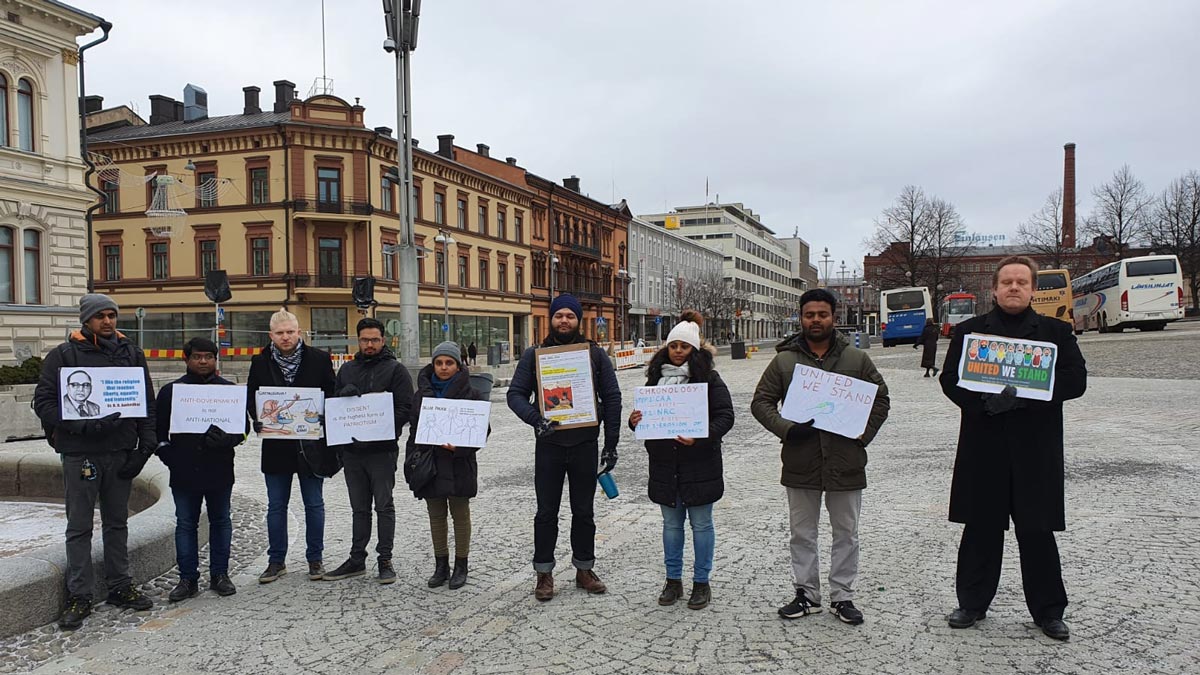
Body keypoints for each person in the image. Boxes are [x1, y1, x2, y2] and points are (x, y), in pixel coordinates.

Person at [939, 256, 1087, 641]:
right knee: (981, 529)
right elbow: (951, 379)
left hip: (1035, 449)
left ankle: (1049, 611)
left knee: (1037, 531)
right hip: (984, 446)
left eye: (1022, 282)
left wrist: (1026, 399)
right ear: (994, 289)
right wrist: (984, 404)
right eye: (1007, 282)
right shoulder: (970, 332)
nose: (1014, 288)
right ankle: (972, 603)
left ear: (1033, 289)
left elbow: (1076, 380)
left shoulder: (1056, 332)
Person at [751, 288, 890, 625]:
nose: (816, 320)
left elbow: (880, 399)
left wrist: (863, 435)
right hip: (801, 460)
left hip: (846, 460)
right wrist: (786, 429)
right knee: (802, 533)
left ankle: (842, 596)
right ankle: (806, 594)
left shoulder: (856, 359)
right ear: (801, 317)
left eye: (822, 314)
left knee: (846, 533)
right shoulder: (785, 360)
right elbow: (761, 402)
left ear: (834, 317)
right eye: (810, 314)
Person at [32, 293, 157, 630]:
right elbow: (43, 403)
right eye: (100, 316)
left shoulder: (131, 353)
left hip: (120, 452)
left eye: (111, 315)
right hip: (80, 453)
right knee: (79, 526)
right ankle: (80, 594)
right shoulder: (63, 355)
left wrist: (145, 446)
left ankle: (120, 585)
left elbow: (146, 400)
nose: (107, 321)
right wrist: (83, 424)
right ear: (85, 320)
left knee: (117, 523)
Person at [507, 293, 622, 601]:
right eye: (559, 315)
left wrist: (611, 444)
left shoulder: (594, 355)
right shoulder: (535, 355)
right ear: (552, 319)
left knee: (584, 512)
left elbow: (612, 398)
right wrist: (536, 419)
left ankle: (584, 568)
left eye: (570, 316)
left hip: (585, 444)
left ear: (578, 320)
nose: (564, 321)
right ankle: (544, 573)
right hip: (550, 446)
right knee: (546, 513)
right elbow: (515, 394)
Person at [627, 318, 734, 610]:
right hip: (665, 465)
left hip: (700, 464)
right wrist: (634, 421)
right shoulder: (655, 378)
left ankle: (702, 583)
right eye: (673, 345)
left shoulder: (709, 379)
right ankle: (673, 580)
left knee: (701, 525)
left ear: (694, 348)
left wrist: (700, 438)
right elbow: (645, 418)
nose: (677, 351)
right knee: (671, 527)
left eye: (684, 346)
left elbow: (726, 416)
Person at [247, 308, 336, 583]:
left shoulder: (320, 359)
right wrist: (257, 418)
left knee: (314, 504)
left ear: (299, 332)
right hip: (276, 445)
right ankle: (276, 561)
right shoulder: (260, 361)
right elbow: (252, 396)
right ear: (271, 335)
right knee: (276, 505)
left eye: (290, 332)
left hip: (311, 445)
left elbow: (331, 396)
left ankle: (315, 559)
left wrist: (323, 417)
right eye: (280, 333)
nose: (285, 337)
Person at [154, 338, 246, 602]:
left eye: (208, 356)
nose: (203, 361)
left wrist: (230, 439)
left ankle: (220, 574)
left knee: (221, 521)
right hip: (183, 468)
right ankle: (187, 578)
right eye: (197, 356)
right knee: (185, 523)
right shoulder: (171, 391)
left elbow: (244, 429)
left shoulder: (228, 390)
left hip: (219, 468)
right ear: (186, 359)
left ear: (216, 359)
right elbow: (157, 431)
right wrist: (167, 454)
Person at [323, 318, 413, 585]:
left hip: (382, 451)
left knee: (384, 506)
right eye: (365, 340)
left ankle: (385, 559)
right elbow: (334, 407)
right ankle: (356, 559)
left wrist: (377, 431)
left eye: (375, 339)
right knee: (359, 507)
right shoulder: (347, 369)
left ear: (383, 340)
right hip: (352, 451)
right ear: (358, 340)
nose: (370, 344)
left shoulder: (396, 370)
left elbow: (405, 409)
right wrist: (342, 396)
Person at [406, 342, 488, 589]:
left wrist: (460, 448)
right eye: (439, 363)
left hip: (459, 463)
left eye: (449, 363)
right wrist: (411, 460)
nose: (443, 367)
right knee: (436, 516)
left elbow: (482, 431)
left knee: (460, 515)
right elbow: (413, 430)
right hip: (431, 464)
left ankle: (461, 565)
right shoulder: (421, 395)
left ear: (458, 365)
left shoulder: (471, 393)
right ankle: (441, 565)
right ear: (433, 365)